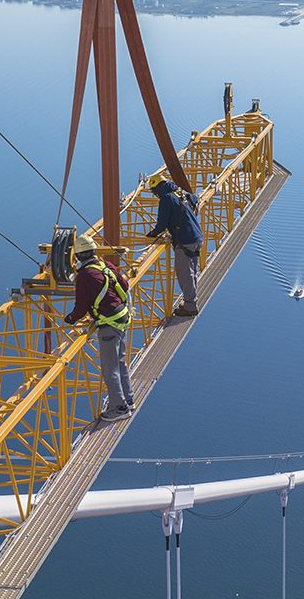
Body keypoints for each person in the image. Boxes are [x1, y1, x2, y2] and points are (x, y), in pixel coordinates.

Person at [64, 233, 135, 424]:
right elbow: (124, 285)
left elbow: (81, 306)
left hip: (109, 324)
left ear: (78, 256)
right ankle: (128, 399)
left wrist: (71, 318)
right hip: (122, 317)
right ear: (94, 251)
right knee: (120, 363)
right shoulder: (106, 266)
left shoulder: (84, 276)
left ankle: (119, 408)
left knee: (109, 368)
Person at [146, 173, 204, 317]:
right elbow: (196, 200)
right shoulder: (181, 193)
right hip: (197, 237)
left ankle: (190, 307)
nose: (155, 195)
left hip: (185, 240)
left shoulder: (166, 198)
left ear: (157, 188)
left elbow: (162, 223)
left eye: (154, 192)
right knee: (192, 271)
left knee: (185, 274)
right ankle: (191, 301)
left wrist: (153, 234)